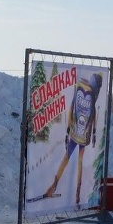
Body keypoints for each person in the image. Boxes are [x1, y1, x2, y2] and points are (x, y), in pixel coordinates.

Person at [38, 72, 103, 203]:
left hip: (82, 133)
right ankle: (56, 187)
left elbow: (91, 113)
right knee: (69, 159)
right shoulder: (84, 90)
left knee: (74, 160)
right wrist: (69, 129)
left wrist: (94, 132)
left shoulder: (88, 96)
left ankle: (75, 193)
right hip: (77, 132)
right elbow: (73, 108)